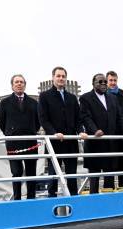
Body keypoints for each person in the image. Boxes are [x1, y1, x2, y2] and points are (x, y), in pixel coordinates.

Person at [80, 73, 123, 194]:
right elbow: (85, 117)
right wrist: (94, 130)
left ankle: (108, 202)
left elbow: (120, 117)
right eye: (100, 82)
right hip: (94, 144)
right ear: (93, 83)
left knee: (109, 175)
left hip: (110, 144)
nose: (103, 84)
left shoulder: (112, 98)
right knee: (94, 176)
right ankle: (94, 201)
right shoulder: (85, 98)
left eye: (105, 82)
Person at [38, 66, 87, 197]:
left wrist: (80, 131)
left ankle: (74, 200)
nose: (61, 78)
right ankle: (52, 199)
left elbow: (78, 118)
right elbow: (43, 119)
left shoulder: (72, 97)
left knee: (72, 175)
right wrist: (53, 133)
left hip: (71, 143)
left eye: (63, 76)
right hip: (54, 142)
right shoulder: (44, 96)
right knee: (53, 176)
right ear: (53, 77)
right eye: (58, 76)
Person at [0, 74, 40, 200]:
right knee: (16, 172)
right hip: (13, 142)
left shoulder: (33, 103)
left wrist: (32, 131)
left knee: (31, 172)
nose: (19, 84)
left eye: (21, 82)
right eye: (16, 82)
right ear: (12, 85)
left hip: (30, 141)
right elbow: (2, 122)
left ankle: (31, 198)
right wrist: (10, 133)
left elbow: (38, 122)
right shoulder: (5, 103)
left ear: (25, 84)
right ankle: (17, 198)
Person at [106, 70, 123, 189]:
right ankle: (109, 190)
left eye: (115, 80)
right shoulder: (103, 94)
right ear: (106, 81)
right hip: (108, 133)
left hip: (121, 133)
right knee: (109, 163)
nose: (113, 83)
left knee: (122, 163)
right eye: (110, 80)